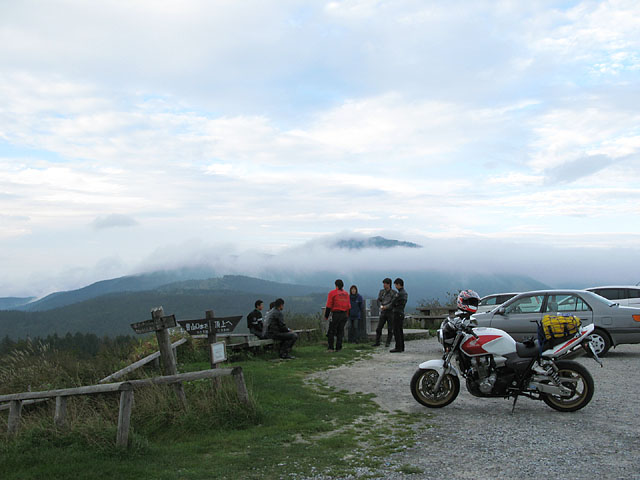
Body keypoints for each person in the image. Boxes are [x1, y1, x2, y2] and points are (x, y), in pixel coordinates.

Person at [324, 279, 351, 351]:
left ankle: (331, 348)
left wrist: (326, 316)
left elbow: (329, 305)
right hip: (344, 314)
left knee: (331, 331)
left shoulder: (332, 293)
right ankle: (339, 348)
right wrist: (347, 315)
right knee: (340, 331)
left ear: (336, 285)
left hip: (336, 314)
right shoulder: (346, 294)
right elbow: (349, 306)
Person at [374, 278, 396, 347]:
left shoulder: (393, 293)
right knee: (379, 328)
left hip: (390, 312)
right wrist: (380, 306)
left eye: (385, 284)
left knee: (390, 328)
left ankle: (388, 342)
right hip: (383, 311)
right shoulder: (382, 292)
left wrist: (386, 307)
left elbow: (393, 302)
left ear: (389, 284)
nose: (384, 285)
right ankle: (377, 342)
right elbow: (378, 300)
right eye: (383, 284)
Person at [390, 278, 408, 353]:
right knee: (400, 330)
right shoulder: (405, 293)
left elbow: (393, 302)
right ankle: (401, 346)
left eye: (396, 285)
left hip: (397, 312)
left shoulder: (399, 293)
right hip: (401, 312)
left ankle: (398, 347)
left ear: (398, 284)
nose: (395, 286)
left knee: (396, 330)